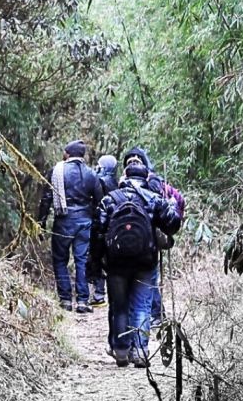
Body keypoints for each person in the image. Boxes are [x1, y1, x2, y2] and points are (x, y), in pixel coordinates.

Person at [95, 160, 181, 367]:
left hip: (116, 263)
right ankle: (141, 351)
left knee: (119, 306)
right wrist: (170, 205)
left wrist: (97, 261)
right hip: (145, 262)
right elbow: (173, 225)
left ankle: (122, 351)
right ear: (145, 178)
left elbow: (97, 230)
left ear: (124, 177)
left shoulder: (110, 199)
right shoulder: (154, 199)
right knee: (141, 305)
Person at [37, 140, 103, 313]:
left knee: (60, 259)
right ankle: (82, 301)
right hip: (84, 222)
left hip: (63, 221)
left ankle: (65, 299)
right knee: (81, 260)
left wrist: (40, 222)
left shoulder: (56, 171)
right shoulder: (91, 174)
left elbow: (46, 199)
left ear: (68, 154)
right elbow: (99, 201)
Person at [121, 147, 185, 323]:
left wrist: (169, 222)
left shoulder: (154, 183)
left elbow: (176, 201)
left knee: (147, 278)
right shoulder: (127, 183)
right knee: (146, 277)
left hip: (145, 236)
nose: (133, 161)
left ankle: (155, 314)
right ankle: (153, 314)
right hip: (138, 236)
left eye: (136, 160)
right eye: (130, 160)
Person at [86, 154, 119, 307]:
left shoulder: (99, 181)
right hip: (114, 226)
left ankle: (98, 294)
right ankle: (106, 292)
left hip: (100, 223)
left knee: (96, 257)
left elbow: (96, 204)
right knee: (108, 258)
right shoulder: (117, 182)